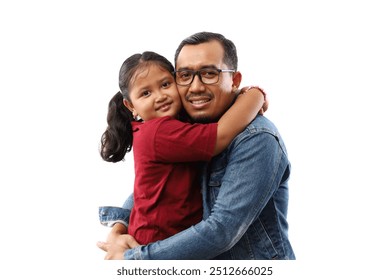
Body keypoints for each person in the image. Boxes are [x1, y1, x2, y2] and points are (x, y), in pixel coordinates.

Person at [97, 31, 295, 260]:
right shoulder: (182, 127)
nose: (196, 87)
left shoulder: (257, 139)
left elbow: (221, 231)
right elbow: (151, 189)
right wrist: (119, 229)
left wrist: (132, 259)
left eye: (209, 73)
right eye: (184, 75)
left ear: (235, 81)